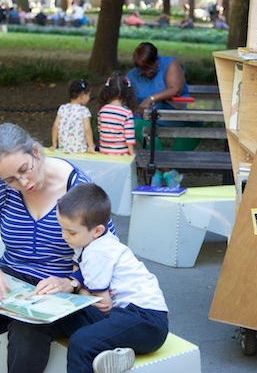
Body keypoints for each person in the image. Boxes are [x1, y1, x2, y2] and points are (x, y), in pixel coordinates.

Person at [0, 122, 116, 373]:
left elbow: (107, 251)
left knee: (27, 330)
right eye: (11, 179)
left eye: (25, 170)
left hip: (60, 291)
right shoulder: (1, 188)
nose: (23, 182)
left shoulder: (77, 188)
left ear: (36, 152)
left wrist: (72, 282)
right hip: (12, 283)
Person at [55, 183, 169, 373]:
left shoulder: (97, 251)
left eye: (71, 232)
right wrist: (81, 290)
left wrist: (81, 290)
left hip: (146, 321)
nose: (64, 236)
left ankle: (98, 348)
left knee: (80, 343)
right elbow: (81, 276)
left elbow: (103, 304)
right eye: (62, 229)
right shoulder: (90, 242)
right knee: (68, 312)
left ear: (97, 230)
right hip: (128, 315)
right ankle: (109, 351)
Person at [126, 42, 199, 187]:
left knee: (195, 132)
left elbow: (175, 89)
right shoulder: (132, 75)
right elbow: (127, 100)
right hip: (148, 119)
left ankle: (160, 170)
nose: (147, 73)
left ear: (156, 60)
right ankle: (169, 172)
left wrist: (150, 99)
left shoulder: (170, 64)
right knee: (137, 125)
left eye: (150, 68)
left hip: (176, 115)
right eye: (142, 70)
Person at [49, 79, 96, 154]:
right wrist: (90, 146)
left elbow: (55, 126)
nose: (89, 98)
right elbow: (87, 129)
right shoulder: (84, 110)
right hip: (79, 149)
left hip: (63, 148)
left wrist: (54, 144)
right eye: (88, 95)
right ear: (82, 95)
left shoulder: (62, 108)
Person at [97, 72, 137, 156]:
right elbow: (129, 137)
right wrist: (132, 153)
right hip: (121, 153)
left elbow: (100, 129)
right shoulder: (127, 113)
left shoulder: (102, 110)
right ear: (127, 93)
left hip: (104, 151)